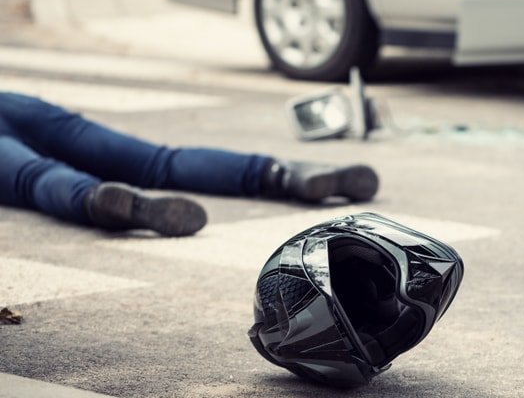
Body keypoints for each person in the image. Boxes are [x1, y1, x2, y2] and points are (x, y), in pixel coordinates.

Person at [0, 92, 379, 237]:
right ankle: (285, 174)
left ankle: (99, 200)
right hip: (14, 104)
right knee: (160, 160)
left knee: (36, 177)